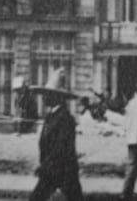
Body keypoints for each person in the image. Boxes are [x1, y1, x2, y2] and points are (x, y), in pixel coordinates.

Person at [28, 69, 83, 201]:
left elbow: (60, 149)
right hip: (53, 170)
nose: (43, 97)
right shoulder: (51, 116)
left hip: (63, 171)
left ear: (56, 97)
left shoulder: (65, 118)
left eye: (47, 94)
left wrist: (43, 167)